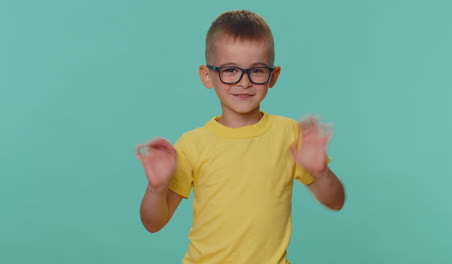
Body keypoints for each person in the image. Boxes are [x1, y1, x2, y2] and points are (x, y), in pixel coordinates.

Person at [136, 9, 345, 264]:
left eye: (256, 71)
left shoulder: (289, 134)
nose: (244, 82)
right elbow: (153, 223)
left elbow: (336, 202)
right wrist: (156, 189)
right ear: (207, 75)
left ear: (273, 76)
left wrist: (321, 172)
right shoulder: (192, 145)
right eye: (230, 70)